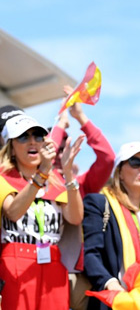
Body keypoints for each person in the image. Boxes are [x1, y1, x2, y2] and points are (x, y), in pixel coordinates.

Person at [0, 113, 84, 309]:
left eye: (38, 136)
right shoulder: (4, 177)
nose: (33, 142)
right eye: (23, 137)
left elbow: (75, 217)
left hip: (53, 262)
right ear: (11, 148)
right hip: (15, 261)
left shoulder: (55, 180)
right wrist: (42, 173)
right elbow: (13, 212)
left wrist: (68, 174)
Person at [50, 86, 116, 310]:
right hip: (46, 275)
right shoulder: (39, 183)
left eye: (65, 147)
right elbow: (45, 165)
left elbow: (107, 158)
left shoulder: (83, 184)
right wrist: (61, 124)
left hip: (81, 277)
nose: (61, 153)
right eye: (56, 148)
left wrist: (81, 117)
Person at [82, 141, 140, 310]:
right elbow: (90, 253)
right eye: (135, 162)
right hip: (117, 301)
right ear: (120, 172)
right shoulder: (100, 203)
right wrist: (110, 283)